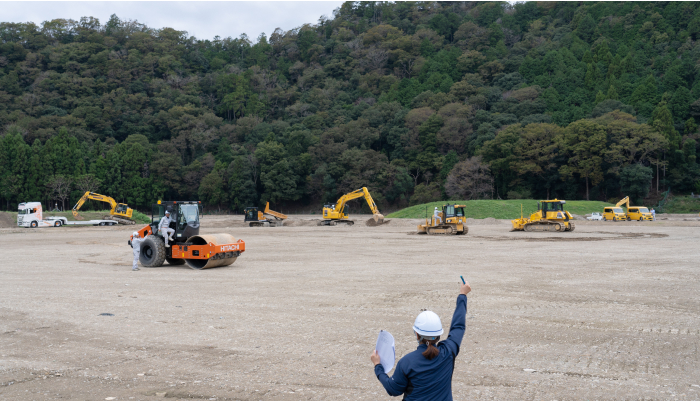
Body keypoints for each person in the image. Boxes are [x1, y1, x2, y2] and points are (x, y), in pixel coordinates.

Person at [371, 280, 471, 400]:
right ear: (439, 335)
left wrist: (378, 366)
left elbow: (393, 389)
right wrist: (462, 295)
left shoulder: (407, 362)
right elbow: (458, 327)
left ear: (417, 334)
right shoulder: (449, 351)